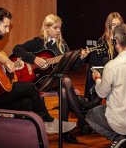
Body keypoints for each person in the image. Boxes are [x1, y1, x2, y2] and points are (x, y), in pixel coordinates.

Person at [0, 7, 76, 136]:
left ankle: (24, 133)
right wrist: (7, 61)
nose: (7, 31)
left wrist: (11, 66)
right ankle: (47, 121)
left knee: (26, 102)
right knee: (29, 87)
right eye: (5, 26)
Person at [12, 14, 92, 142]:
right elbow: (16, 49)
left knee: (64, 88)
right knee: (65, 81)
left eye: (60, 28)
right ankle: (81, 121)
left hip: (55, 80)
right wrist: (34, 59)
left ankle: (64, 132)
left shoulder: (62, 45)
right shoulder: (38, 42)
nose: (58, 31)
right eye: (55, 28)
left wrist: (81, 58)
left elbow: (74, 67)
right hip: (38, 81)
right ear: (46, 27)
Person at [86, 23, 126, 148]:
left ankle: (118, 138)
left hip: (120, 122)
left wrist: (98, 79)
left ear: (116, 42)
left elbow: (101, 93)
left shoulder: (112, 65)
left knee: (91, 115)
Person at [82, 12, 124, 110]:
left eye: (118, 25)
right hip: (107, 74)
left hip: (122, 73)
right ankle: (94, 100)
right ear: (109, 27)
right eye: (113, 25)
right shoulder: (102, 41)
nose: (116, 27)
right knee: (95, 60)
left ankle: (95, 100)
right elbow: (98, 64)